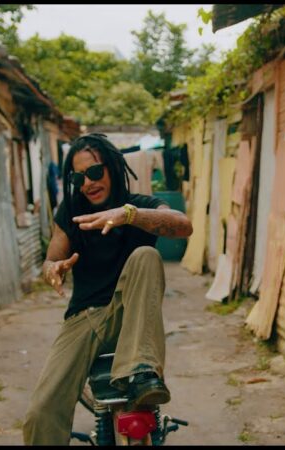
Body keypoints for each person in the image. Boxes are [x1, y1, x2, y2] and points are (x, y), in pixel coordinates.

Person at [22, 133, 193, 445]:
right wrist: (53, 270)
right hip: (84, 319)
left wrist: (129, 215)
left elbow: (183, 225)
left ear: (112, 168)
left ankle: (141, 373)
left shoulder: (139, 206)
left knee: (146, 255)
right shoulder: (72, 212)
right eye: (79, 177)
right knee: (40, 413)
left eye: (94, 172)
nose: (88, 183)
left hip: (130, 318)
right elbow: (51, 259)